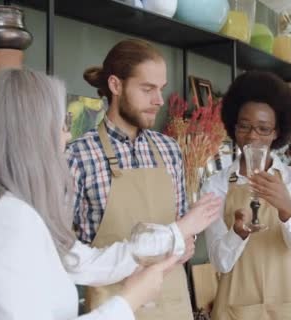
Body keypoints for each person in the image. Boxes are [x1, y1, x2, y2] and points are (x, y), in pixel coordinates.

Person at [0, 68, 221, 320]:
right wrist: (129, 300)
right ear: (31, 135)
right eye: (62, 124)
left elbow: (85, 261)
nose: (66, 136)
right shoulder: (6, 218)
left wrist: (175, 234)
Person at [67, 38, 218, 319]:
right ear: (115, 85)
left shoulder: (169, 150)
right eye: (147, 89)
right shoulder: (79, 156)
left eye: (160, 89)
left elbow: (182, 228)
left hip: (173, 304)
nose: (159, 100)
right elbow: (64, 252)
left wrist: (188, 239)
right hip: (114, 306)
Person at [202, 71, 291, 320]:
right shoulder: (216, 185)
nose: (253, 136)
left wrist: (286, 208)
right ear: (233, 126)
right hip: (236, 309)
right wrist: (237, 233)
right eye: (244, 126)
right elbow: (220, 263)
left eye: (263, 129)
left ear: (277, 132)